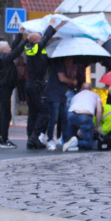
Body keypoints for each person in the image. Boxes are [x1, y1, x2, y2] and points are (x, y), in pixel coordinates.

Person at [25, 19, 67, 149]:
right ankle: (33, 138)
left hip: (30, 84)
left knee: (33, 113)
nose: (42, 37)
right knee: (44, 112)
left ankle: (32, 138)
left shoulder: (31, 49)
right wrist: (52, 25)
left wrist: (57, 27)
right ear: (35, 41)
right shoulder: (37, 47)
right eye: (39, 37)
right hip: (37, 85)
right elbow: (46, 37)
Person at [0, 33, 27, 149]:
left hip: (4, 89)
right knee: (6, 115)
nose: (10, 48)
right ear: (3, 50)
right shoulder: (5, 58)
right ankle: (4, 140)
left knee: (3, 113)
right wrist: (26, 41)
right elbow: (16, 52)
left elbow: (13, 46)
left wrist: (20, 34)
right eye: (7, 47)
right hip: (5, 90)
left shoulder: (3, 57)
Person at [44, 57, 78, 151]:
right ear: (67, 59)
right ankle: (50, 139)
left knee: (65, 118)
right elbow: (62, 79)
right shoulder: (59, 65)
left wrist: (72, 76)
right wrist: (72, 81)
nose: (72, 62)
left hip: (61, 96)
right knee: (53, 119)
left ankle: (65, 139)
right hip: (54, 96)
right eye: (72, 60)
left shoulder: (63, 68)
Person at [62, 83, 103, 152]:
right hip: (85, 115)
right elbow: (99, 111)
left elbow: (70, 109)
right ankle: (76, 143)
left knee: (71, 138)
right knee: (89, 144)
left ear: (81, 89)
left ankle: (69, 142)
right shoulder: (96, 95)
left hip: (71, 114)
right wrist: (97, 126)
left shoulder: (75, 96)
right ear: (91, 89)